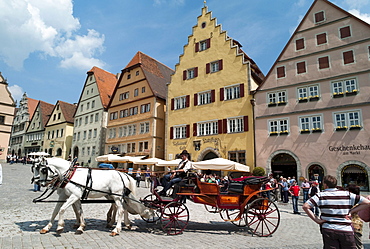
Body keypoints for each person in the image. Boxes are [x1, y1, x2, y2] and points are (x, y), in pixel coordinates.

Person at [302, 175, 370, 249]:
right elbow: (367, 203)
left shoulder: (320, 195)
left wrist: (317, 220)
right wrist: (351, 211)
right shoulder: (347, 194)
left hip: (329, 228)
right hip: (346, 229)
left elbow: (305, 206)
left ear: (325, 184)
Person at [348, 184, 364, 249]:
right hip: (354, 225)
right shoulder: (360, 200)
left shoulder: (356, 201)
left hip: (355, 225)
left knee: (357, 245)